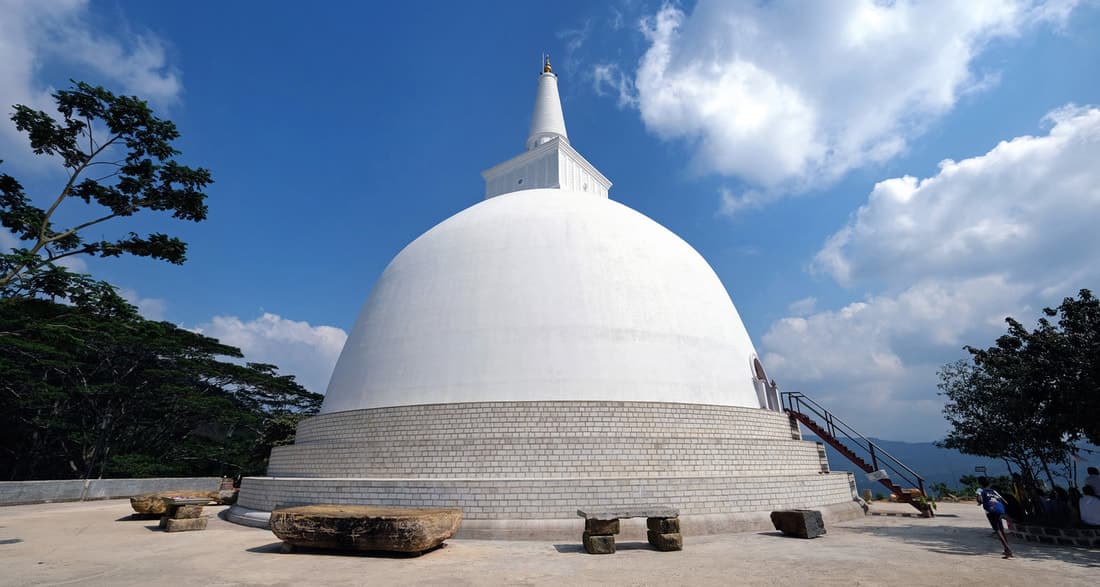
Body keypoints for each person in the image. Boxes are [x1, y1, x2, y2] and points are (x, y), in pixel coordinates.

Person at [977, 477, 1014, 558]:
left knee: (997, 530)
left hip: (990, 511)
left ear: (980, 483)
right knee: (1001, 529)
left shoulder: (980, 490)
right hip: (999, 510)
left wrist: (980, 502)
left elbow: (979, 500)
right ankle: (1006, 549)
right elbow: (1004, 501)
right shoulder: (993, 491)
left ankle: (1008, 550)